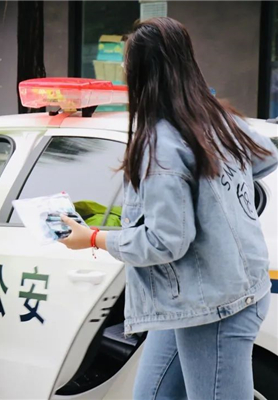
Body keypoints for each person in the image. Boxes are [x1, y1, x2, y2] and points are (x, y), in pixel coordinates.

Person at [58, 18, 278, 400]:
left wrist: (92, 237)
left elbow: (165, 242)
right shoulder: (216, 118)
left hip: (214, 307)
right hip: (209, 295)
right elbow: (266, 154)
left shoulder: (160, 144)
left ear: (138, 73)